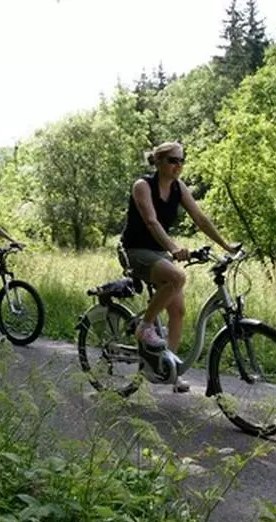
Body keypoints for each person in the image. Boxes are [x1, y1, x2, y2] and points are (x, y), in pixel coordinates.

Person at [120, 141, 239, 391]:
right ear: (159, 161)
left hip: (159, 252)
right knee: (177, 277)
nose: (178, 166)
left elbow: (200, 219)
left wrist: (226, 246)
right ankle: (145, 326)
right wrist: (174, 248)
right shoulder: (143, 186)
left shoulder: (178, 188)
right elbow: (151, 222)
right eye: (173, 160)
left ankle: (168, 368)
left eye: (182, 160)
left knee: (178, 311)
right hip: (136, 251)